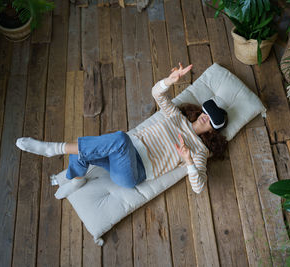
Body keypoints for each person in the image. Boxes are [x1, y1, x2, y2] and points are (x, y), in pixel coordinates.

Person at [16, 63, 228, 199]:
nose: (205, 117)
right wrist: (170, 81)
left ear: (212, 131)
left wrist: (189, 160)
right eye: (206, 112)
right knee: (85, 151)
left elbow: (199, 187)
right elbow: (157, 93)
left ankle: (53, 148)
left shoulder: (199, 150)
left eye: (211, 120)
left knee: (120, 138)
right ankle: (77, 179)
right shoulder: (176, 116)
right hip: (123, 155)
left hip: (135, 171)